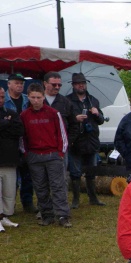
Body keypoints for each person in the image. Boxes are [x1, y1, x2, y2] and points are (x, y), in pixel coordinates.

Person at [20, 83, 71, 228]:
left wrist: (61, 153)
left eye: (39, 97)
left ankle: (62, 215)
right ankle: (46, 214)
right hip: (34, 156)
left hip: (53, 155)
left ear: (43, 97)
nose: (36, 100)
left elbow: (62, 134)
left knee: (58, 186)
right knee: (40, 187)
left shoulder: (53, 113)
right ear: (28, 97)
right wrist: (26, 154)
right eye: (33, 97)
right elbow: (22, 137)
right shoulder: (24, 115)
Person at [66, 72, 106, 208]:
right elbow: (64, 121)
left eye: (83, 83)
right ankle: (76, 200)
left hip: (91, 141)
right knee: (75, 172)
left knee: (91, 172)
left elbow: (101, 120)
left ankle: (93, 198)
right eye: (78, 83)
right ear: (73, 85)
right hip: (76, 141)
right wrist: (75, 119)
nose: (81, 85)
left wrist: (97, 114)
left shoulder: (93, 100)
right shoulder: (67, 101)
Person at [4, 73, 35, 213]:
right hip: (8, 143)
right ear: (8, 84)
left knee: (27, 174)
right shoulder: (2, 100)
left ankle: (27, 202)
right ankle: (9, 205)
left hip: (26, 141)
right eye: (16, 83)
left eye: (21, 83)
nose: (19, 85)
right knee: (10, 177)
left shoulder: (27, 100)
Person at [43, 71, 80, 174]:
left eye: (59, 85)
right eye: (54, 84)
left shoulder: (66, 102)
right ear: (45, 84)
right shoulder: (37, 100)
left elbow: (74, 125)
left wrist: (67, 142)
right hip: (40, 148)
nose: (57, 87)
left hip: (59, 148)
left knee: (61, 178)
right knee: (42, 180)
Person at [0, 87, 25, 232]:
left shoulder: (11, 113)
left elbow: (19, 130)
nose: (1, 100)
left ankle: (4, 216)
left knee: (9, 192)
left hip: (10, 159)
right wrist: (6, 124)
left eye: (3, 97)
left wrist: (5, 125)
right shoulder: (8, 118)